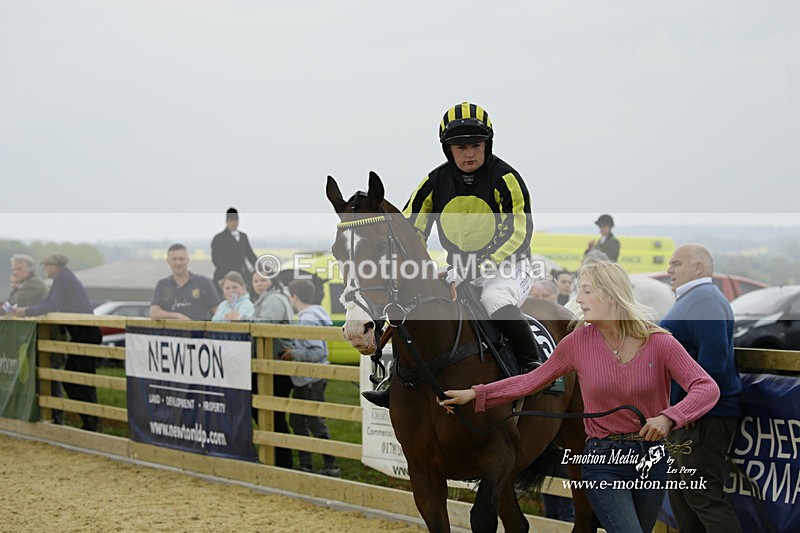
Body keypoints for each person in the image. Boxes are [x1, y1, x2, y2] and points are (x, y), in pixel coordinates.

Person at [441, 261, 720, 533]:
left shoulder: (659, 342)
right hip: (602, 460)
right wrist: (476, 393)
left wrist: (669, 418)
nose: (578, 299)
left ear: (610, 295)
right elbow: (530, 381)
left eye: (586, 291)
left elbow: (706, 387)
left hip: (652, 458)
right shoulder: (576, 342)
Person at [363, 101, 537, 408]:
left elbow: (518, 233)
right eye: (460, 147)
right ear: (447, 148)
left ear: (487, 144)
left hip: (510, 267)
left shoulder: (506, 179)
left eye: (475, 145)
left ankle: (532, 367)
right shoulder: (433, 183)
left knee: (495, 300)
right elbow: (410, 231)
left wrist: (477, 267)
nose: (469, 153)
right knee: (419, 306)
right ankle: (397, 377)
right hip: (457, 269)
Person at [660, 244, 743, 533]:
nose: (669, 270)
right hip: (687, 416)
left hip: (702, 417)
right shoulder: (694, 299)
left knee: (702, 495)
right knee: (683, 498)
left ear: (698, 268)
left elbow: (715, 362)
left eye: (676, 264)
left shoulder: (704, 300)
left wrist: (687, 409)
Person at [13, 253, 102, 431]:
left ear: (54, 266)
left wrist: (27, 311)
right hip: (82, 332)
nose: (45, 269)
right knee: (77, 378)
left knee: (77, 379)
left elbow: (52, 304)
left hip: (85, 332)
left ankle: (92, 420)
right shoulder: (64, 278)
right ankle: (90, 421)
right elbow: (50, 302)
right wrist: (29, 310)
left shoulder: (63, 278)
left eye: (46, 265)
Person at [282, 279, 340, 477]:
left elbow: (316, 351)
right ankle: (306, 464)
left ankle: (331, 465)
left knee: (315, 422)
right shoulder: (314, 313)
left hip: (311, 379)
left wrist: (293, 354)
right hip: (306, 379)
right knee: (298, 420)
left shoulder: (307, 319)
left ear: (294, 297)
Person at [250, 269, 294, 469]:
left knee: (273, 416)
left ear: (272, 281)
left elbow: (264, 326)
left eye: (263, 279)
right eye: (255, 280)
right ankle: (276, 460)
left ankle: (281, 463)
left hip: (274, 364)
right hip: (269, 363)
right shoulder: (268, 299)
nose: (259, 283)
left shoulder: (273, 300)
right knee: (268, 414)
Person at [149, 243, 220, 320]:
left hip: (199, 331)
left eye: (181, 259)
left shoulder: (204, 282)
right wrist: (177, 316)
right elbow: (154, 313)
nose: (178, 263)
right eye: (174, 259)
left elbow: (218, 312)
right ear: (168, 261)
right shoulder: (162, 284)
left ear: (187, 260)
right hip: (170, 331)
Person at [211, 207, 258, 294]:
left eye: (235, 220)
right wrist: (231, 273)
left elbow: (250, 254)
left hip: (242, 274)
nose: (233, 223)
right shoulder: (219, 238)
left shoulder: (243, 236)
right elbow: (217, 260)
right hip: (224, 276)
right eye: (231, 221)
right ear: (226, 222)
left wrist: (260, 267)